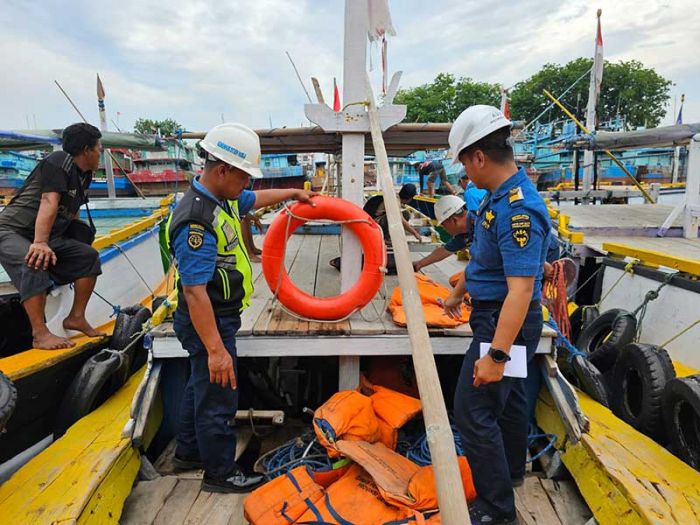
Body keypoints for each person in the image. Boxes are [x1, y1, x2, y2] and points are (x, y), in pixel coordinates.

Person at [166, 123, 315, 493]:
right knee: (219, 395)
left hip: (216, 317)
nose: (248, 185)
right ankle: (220, 473)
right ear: (222, 171)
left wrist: (293, 193)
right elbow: (195, 291)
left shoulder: (220, 199)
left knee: (199, 387)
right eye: (245, 176)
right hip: (208, 321)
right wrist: (217, 350)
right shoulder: (197, 221)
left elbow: (253, 201)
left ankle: (188, 451)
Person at [443, 106, 551, 525]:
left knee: (473, 412)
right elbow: (487, 262)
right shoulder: (496, 198)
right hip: (496, 316)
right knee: (508, 407)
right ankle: (510, 476)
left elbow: (521, 290)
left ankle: (496, 509)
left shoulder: (518, 209)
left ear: (479, 158)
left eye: (465, 166)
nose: (466, 176)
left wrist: (497, 356)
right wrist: (458, 290)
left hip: (504, 324)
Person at [0, 123, 104, 350]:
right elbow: (49, 201)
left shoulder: (84, 175)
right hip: (11, 231)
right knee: (35, 260)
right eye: (99, 149)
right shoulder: (59, 161)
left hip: (48, 234)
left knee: (88, 257)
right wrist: (39, 243)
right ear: (86, 150)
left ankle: (76, 317)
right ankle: (40, 334)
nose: (100, 154)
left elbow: (72, 210)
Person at [329, 183, 421, 272]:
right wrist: (415, 233)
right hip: (371, 225)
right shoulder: (394, 201)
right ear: (409, 198)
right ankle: (387, 241)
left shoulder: (394, 197)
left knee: (405, 214)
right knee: (396, 216)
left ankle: (387, 238)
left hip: (370, 221)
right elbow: (400, 220)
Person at [412, 195, 470, 272]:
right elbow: (445, 250)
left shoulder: (483, 227)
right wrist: (419, 263)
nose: (444, 228)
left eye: (443, 224)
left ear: (453, 220)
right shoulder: (463, 235)